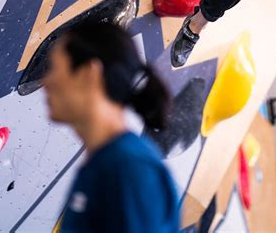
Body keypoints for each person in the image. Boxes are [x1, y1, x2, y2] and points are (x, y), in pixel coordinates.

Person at [43, 21, 179, 232]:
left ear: (89, 73)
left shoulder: (129, 168)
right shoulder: (107, 163)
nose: (47, 82)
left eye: (54, 68)